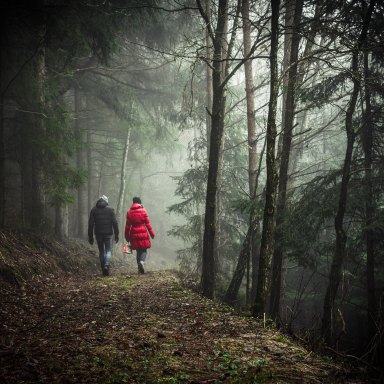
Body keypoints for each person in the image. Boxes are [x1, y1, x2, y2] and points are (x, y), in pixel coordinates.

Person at [88, 195, 119, 276]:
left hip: (98, 234)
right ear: (106, 202)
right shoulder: (110, 210)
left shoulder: (93, 210)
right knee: (108, 250)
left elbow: (90, 224)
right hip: (108, 234)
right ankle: (106, 265)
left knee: (101, 251)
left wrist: (90, 236)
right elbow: (115, 222)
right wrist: (117, 234)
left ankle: (103, 269)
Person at [125, 197, 155, 274]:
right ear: (140, 203)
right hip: (143, 232)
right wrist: (152, 234)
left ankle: (139, 267)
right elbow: (148, 224)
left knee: (138, 250)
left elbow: (127, 226)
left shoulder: (129, 212)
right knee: (144, 250)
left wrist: (127, 236)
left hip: (133, 232)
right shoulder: (143, 211)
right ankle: (142, 261)